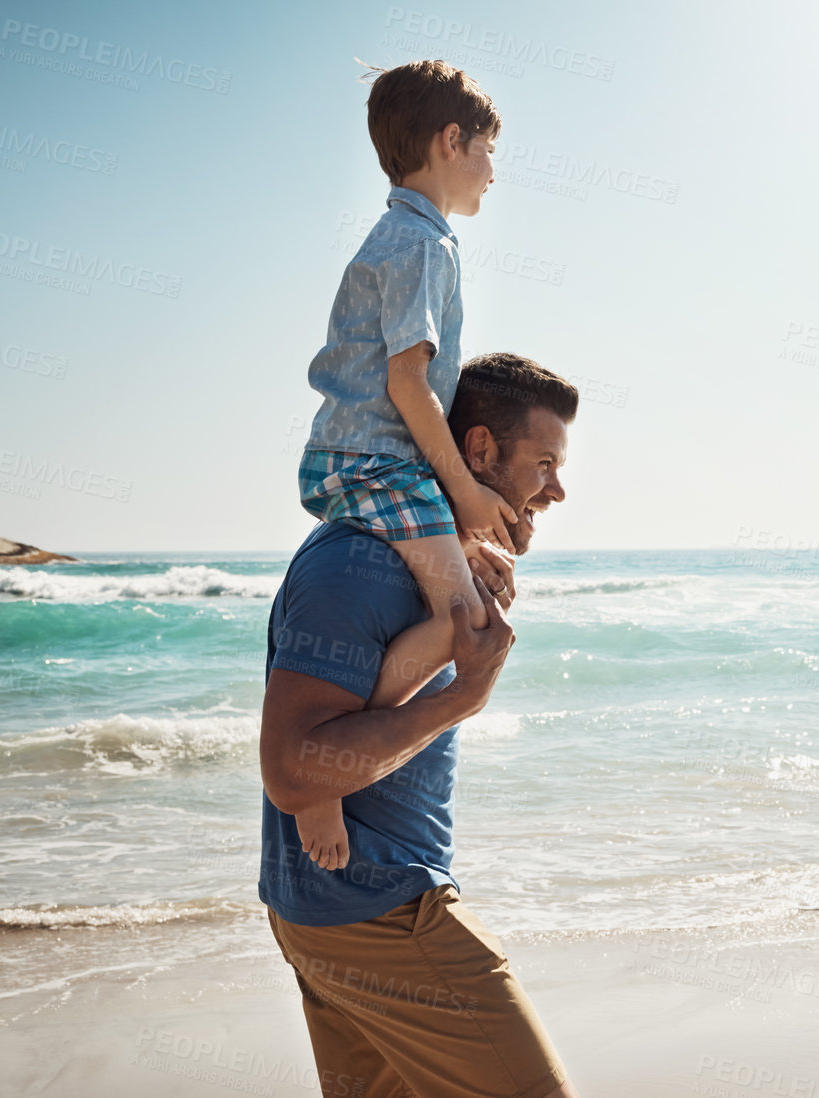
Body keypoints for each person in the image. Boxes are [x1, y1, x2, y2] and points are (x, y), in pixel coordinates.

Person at [259, 354, 580, 1098]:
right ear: (477, 451)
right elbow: (294, 771)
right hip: (382, 914)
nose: (557, 490)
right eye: (543, 463)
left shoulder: (426, 564)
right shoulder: (358, 565)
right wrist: (462, 697)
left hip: (336, 913)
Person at [293, 58, 513, 873]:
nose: (494, 171)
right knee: (472, 619)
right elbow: (405, 380)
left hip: (356, 457)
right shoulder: (424, 245)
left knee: (468, 592)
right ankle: (323, 777)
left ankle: (334, 756)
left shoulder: (401, 235)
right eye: (488, 150)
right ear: (450, 140)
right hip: (381, 464)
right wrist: (463, 492)